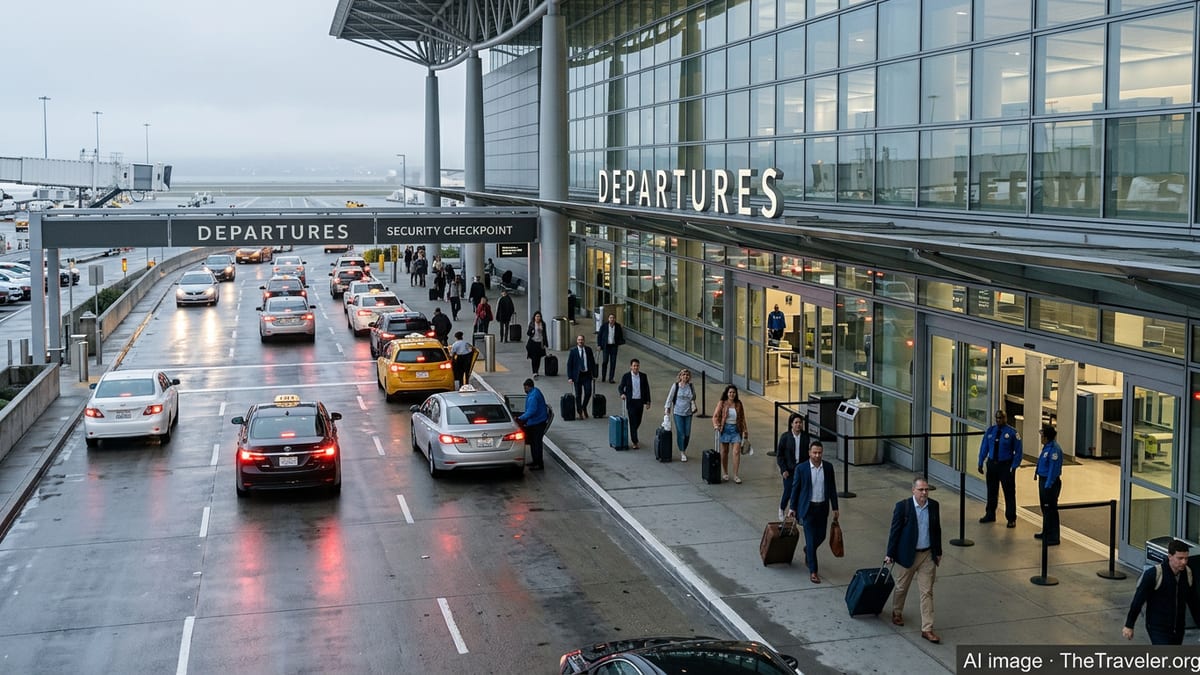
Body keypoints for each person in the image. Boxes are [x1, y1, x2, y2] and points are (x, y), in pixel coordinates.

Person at [885, 477, 943, 644]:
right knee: (902, 587)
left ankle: (927, 628)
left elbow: (936, 529)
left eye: (926, 490)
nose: (924, 493)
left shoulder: (934, 506)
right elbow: (894, 532)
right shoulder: (903, 507)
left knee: (927, 591)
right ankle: (897, 612)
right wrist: (890, 553)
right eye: (921, 490)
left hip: (927, 555)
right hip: (907, 554)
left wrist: (937, 552)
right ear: (913, 490)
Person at [1124, 539, 1200, 644]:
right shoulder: (1154, 574)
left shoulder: (1188, 574)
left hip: (1178, 628)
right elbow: (1138, 600)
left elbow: (1193, 602)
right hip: (1157, 627)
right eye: (1180, 558)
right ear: (1170, 556)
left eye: (1186, 558)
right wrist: (1129, 625)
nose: (1184, 562)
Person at [788, 440, 839, 584]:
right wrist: (792, 508)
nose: (817, 455)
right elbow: (795, 489)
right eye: (814, 452)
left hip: (822, 508)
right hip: (808, 509)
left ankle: (808, 551)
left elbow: (832, 489)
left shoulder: (828, 468)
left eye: (819, 453)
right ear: (809, 453)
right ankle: (813, 571)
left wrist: (835, 507)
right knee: (810, 540)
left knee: (821, 536)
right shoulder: (801, 469)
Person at [977, 410, 1022, 528]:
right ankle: (990, 513)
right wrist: (980, 462)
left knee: (1009, 492)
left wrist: (1014, 466)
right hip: (992, 464)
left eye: (1001, 418)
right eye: (997, 418)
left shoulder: (1012, 433)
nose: (999, 420)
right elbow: (984, 447)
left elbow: (1018, 451)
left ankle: (1011, 518)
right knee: (992, 491)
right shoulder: (991, 431)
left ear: (1005, 418)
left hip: (1006, 465)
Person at [775, 413, 810, 520]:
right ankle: (782, 508)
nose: (798, 425)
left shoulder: (805, 437)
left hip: (801, 469)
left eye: (800, 423)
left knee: (801, 490)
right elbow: (780, 455)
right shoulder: (785, 437)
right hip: (789, 470)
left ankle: (796, 512)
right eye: (796, 423)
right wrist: (783, 469)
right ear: (791, 424)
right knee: (789, 490)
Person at [710, 385, 748, 483]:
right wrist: (716, 425)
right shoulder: (722, 403)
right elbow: (715, 416)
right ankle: (725, 473)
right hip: (725, 429)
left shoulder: (739, 404)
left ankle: (735, 475)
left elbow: (742, 418)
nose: (732, 394)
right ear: (727, 393)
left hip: (736, 429)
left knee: (736, 452)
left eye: (734, 392)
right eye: (730, 392)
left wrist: (745, 431)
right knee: (724, 452)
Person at [1034, 424, 1063, 546]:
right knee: (1045, 509)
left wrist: (1048, 484)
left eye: (1042, 436)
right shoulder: (1046, 447)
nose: (1041, 438)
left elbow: (1053, 469)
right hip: (1043, 480)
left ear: (1047, 437)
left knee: (1051, 509)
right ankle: (1046, 531)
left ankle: (1054, 536)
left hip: (1049, 483)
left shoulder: (1054, 449)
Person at [664, 369, 698, 462]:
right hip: (678, 412)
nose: (685, 377)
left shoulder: (690, 386)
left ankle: (684, 447)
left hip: (688, 413)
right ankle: (682, 451)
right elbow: (670, 397)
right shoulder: (675, 386)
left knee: (687, 434)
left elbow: (693, 397)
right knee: (681, 432)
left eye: (687, 375)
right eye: (683, 375)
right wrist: (667, 408)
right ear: (680, 376)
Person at [618, 359, 652, 448]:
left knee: (638, 420)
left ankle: (633, 432)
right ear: (631, 367)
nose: (636, 367)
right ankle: (635, 441)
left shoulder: (643, 376)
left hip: (640, 401)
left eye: (637, 366)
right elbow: (621, 387)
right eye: (634, 366)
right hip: (631, 402)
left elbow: (647, 389)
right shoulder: (626, 376)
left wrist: (648, 401)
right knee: (633, 421)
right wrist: (622, 394)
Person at [516, 378, 548, 470]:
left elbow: (531, 411)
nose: (524, 390)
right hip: (538, 421)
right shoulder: (535, 392)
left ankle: (538, 463)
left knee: (536, 443)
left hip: (537, 423)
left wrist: (520, 418)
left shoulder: (533, 396)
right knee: (534, 443)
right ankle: (535, 461)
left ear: (528, 387)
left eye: (525, 388)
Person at [566, 334, 597, 419]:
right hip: (577, 376)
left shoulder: (588, 350)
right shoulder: (573, 351)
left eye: (582, 340)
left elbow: (592, 362)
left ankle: (584, 406)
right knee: (578, 395)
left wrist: (594, 374)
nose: (580, 341)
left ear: (584, 341)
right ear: (577, 341)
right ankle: (580, 411)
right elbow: (569, 365)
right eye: (579, 340)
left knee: (588, 392)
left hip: (587, 375)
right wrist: (570, 377)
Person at [597, 313, 625, 384]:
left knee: (613, 362)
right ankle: (603, 376)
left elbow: (621, 336)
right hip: (606, 346)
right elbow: (599, 336)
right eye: (610, 318)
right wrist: (599, 345)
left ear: (615, 319)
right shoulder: (604, 326)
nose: (612, 319)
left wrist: (620, 342)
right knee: (605, 361)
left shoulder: (618, 326)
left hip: (614, 346)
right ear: (608, 319)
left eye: (613, 318)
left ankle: (611, 378)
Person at [526, 311, 548, 377]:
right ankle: (534, 371)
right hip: (533, 342)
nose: (538, 318)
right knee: (533, 357)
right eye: (536, 316)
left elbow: (545, 334)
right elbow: (528, 333)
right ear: (534, 317)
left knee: (538, 358)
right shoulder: (532, 324)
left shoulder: (543, 324)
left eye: (539, 316)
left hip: (540, 342)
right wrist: (532, 331)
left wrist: (545, 343)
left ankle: (537, 370)